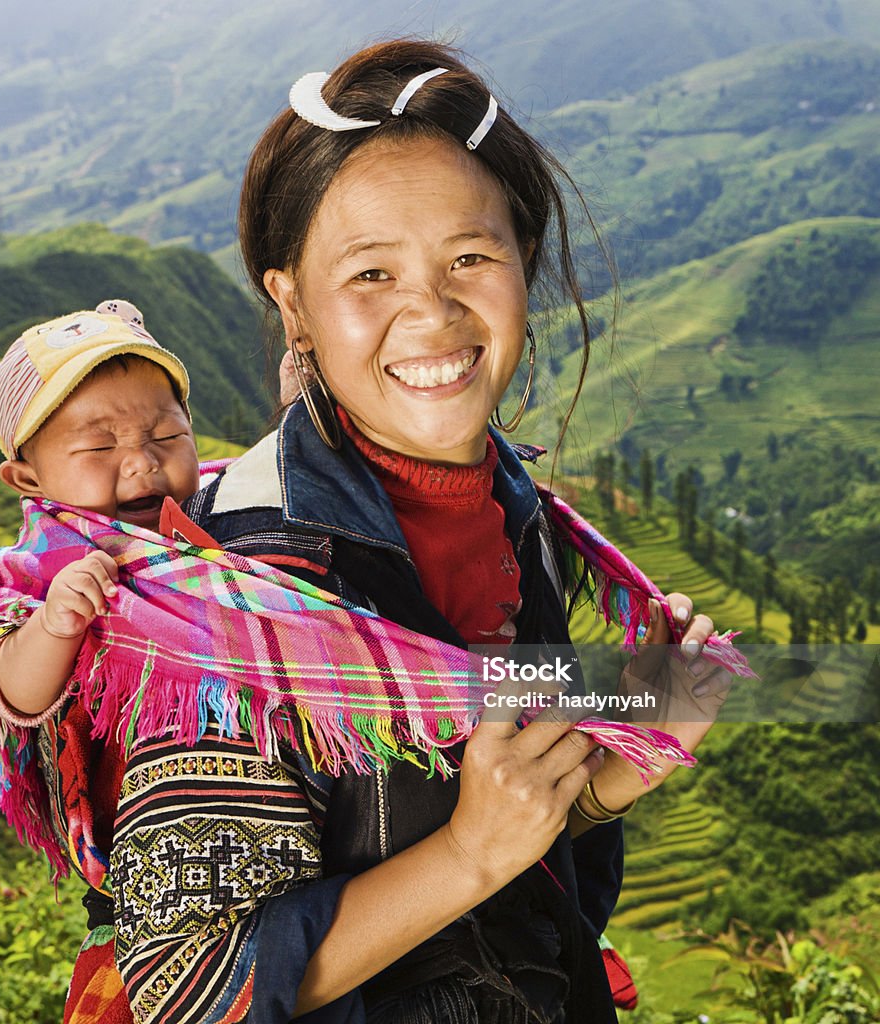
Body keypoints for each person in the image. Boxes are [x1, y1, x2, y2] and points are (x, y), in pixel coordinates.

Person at [109, 40, 733, 1024]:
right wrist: (468, 853)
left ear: (521, 263)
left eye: (470, 257)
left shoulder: (504, 507)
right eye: (368, 274)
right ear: (293, 305)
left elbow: (498, 837)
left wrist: (616, 769)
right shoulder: (239, 598)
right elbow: (183, 987)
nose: (431, 312)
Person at [0, 299, 202, 1024]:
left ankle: (544, 692)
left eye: (168, 432)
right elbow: (5, 686)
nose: (143, 460)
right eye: (99, 448)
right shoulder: (37, 573)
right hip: (145, 886)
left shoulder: (219, 529)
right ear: (28, 480)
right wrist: (58, 626)